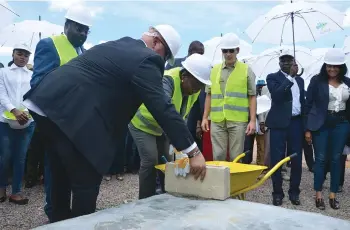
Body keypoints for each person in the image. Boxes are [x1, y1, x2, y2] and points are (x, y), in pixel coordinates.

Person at [22, 24, 207, 222]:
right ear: (156, 42)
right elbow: (161, 106)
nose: (162, 61)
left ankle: (57, 222)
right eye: (165, 55)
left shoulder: (122, 44)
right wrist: (193, 152)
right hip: (72, 115)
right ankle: (81, 224)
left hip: (46, 104)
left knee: (59, 174)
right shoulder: (147, 59)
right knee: (86, 180)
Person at [24, 6, 92, 222]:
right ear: (66, 26)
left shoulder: (83, 52)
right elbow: (38, 84)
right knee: (56, 173)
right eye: (78, 28)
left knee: (71, 173)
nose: (82, 34)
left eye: (86, 30)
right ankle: (55, 216)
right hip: (56, 124)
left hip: (76, 125)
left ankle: (68, 216)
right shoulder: (49, 45)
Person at [129, 53, 212, 199]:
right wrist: (192, 151)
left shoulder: (192, 90)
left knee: (167, 162)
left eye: (201, 86)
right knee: (150, 159)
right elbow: (165, 111)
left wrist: (180, 144)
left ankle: (166, 195)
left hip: (163, 128)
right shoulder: (167, 80)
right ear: (185, 75)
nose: (197, 89)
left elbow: (180, 118)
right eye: (195, 84)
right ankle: (145, 200)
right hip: (142, 124)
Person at [305, 48, 350, 210]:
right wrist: (308, 129)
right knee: (321, 158)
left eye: (335, 66)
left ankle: (332, 194)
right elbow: (308, 105)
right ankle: (318, 194)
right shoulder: (316, 81)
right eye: (329, 66)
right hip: (321, 124)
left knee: (337, 159)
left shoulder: (348, 82)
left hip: (342, 124)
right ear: (325, 66)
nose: (332, 69)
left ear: (341, 67)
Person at [202, 33, 257, 161]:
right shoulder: (214, 70)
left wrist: (253, 120)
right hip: (217, 120)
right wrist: (205, 117)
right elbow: (209, 94)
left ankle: (233, 181)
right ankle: (220, 181)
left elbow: (252, 96)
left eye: (231, 50)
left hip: (238, 121)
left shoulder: (246, 70)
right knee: (218, 156)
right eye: (225, 51)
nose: (228, 54)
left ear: (237, 50)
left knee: (235, 157)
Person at [266, 50, 304, 206]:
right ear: (279, 63)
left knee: (296, 159)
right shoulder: (272, 77)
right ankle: (277, 193)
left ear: (294, 62)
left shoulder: (300, 81)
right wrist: (289, 77)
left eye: (290, 60)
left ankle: (294, 192)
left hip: (296, 123)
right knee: (277, 159)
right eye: (284, 61)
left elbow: (303, 100)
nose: (287, 63)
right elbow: (277, 96)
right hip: (278, 124)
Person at [0, 44, 35, 205]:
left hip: (27, 121)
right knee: (5, 156)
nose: (23, 57)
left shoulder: (32, 75)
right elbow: (1, 93)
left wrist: (26, 112)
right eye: (20, 54)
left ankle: (16, 192)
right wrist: (14, 110)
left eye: (26, 55)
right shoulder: (3, 72)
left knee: (21, 157)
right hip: (6, 120)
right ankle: (1, 188)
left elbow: (33, 95)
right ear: (13, 54)